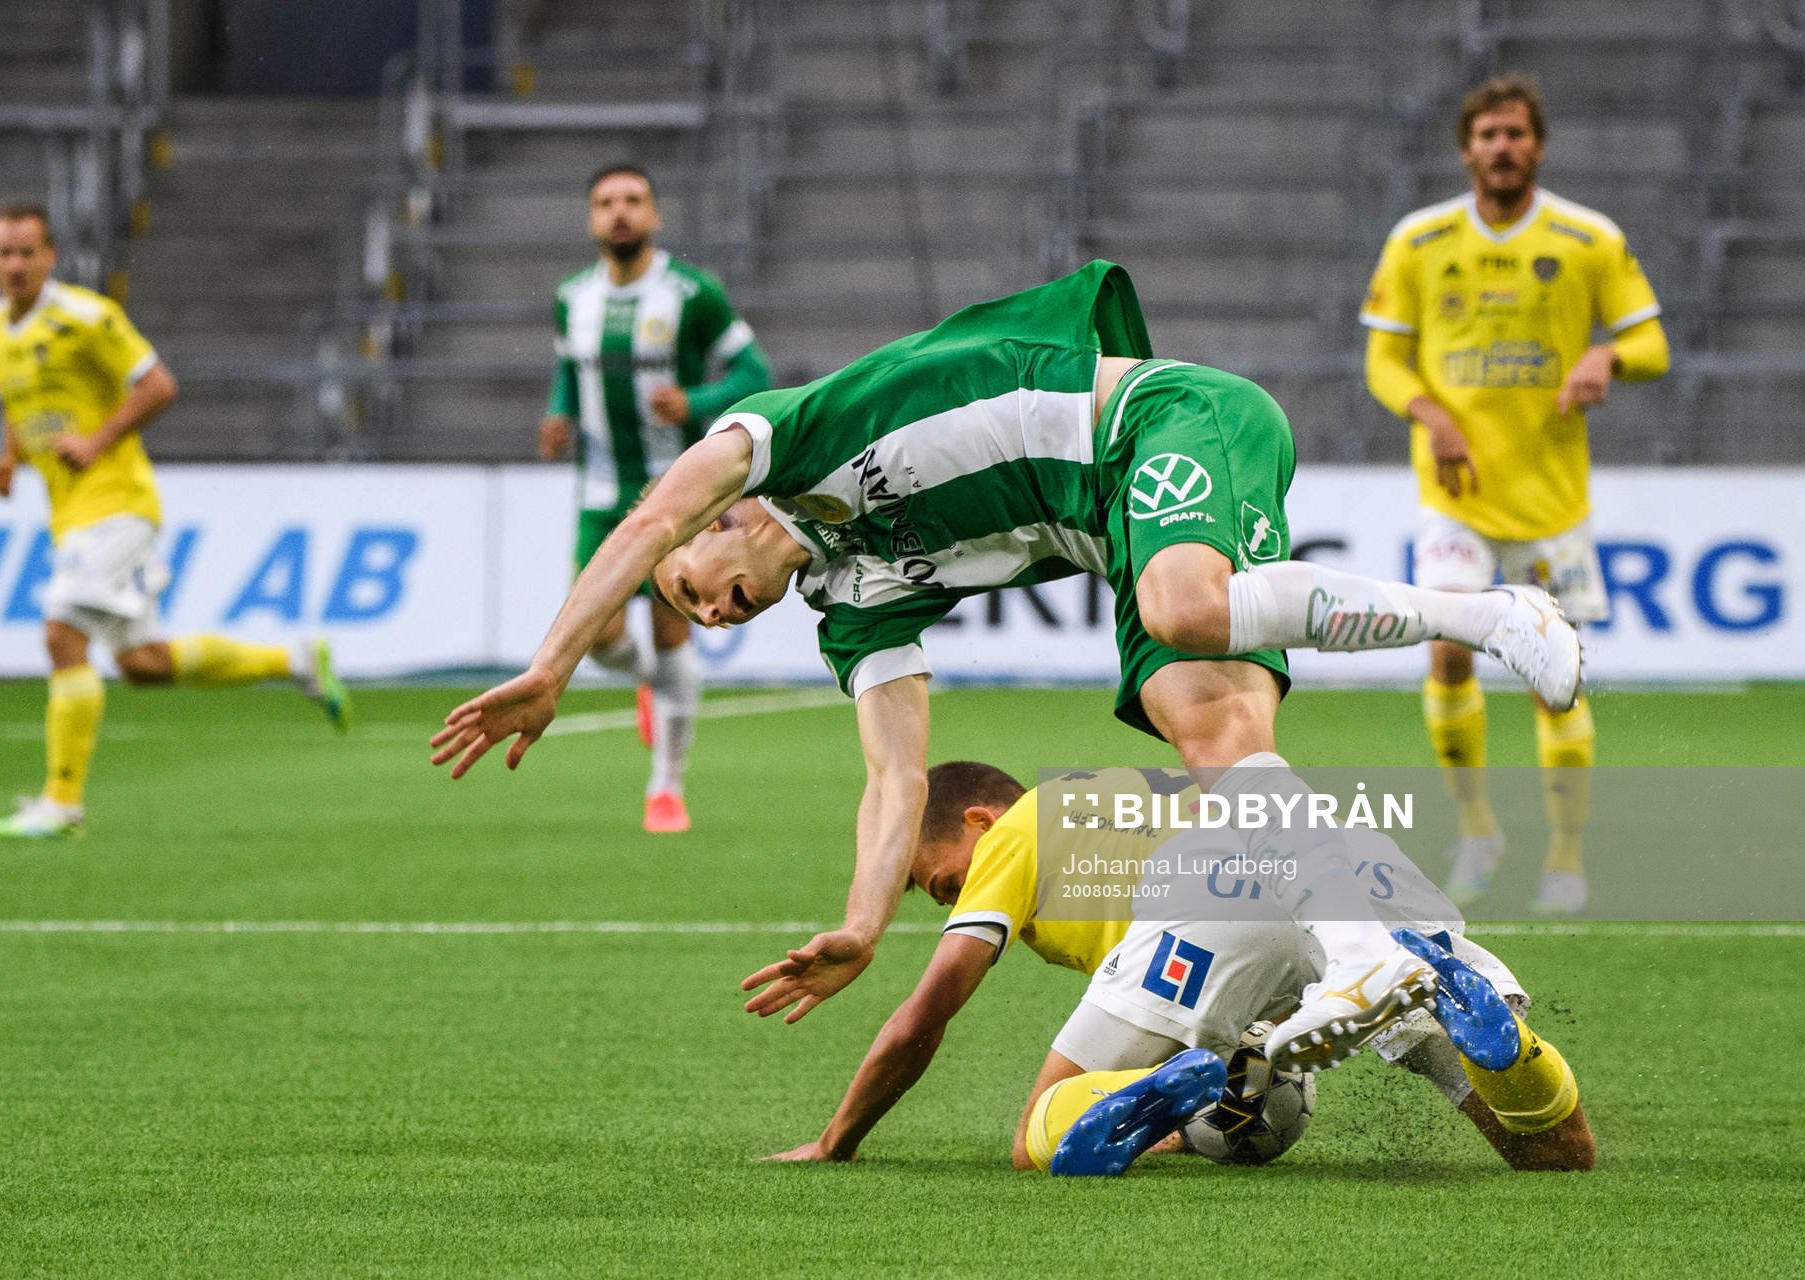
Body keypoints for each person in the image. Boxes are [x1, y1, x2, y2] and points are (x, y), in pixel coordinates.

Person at [432, 260, 1583, 1070]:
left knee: (1185, 610)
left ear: (716, 520)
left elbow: (638, 523)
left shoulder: (779, 433)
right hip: (1118, 525)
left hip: (1164, 423)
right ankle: (1376, 954)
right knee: (1223, 748)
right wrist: (862, 923)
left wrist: (552, 667)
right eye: (701, 613)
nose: (715, 611)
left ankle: (1484, 615)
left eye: (695, 585)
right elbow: (895, 779)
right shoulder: (853, 603)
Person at [763, 762, 1594, 1175]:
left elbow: (927, 1012)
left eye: (941, 880)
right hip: (1335, 860)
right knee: (1555, 1152)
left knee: (1033, 1141)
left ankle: (1198, 1095)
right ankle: (1507, 1052)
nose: (950, 902)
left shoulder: (1018, 830)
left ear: (979, 818)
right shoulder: (1114, 792)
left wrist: (838, 1142)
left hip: (1206, 902)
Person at [1361, 75, 1670, 916]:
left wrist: (1610, 357)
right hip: (1454, 498)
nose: (1502, 147)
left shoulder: (1586, 238)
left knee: (1553, 678)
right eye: (1488, 134)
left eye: (1516, 133)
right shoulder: (1419, 241)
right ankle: (1478, 833)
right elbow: (1384, 360)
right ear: (1467, 149)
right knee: (1448, 650)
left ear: (1538, 145)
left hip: (1552, 505)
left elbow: (1652, 339)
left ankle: (1565, 858)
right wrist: (1429, 410)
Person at [0, 203, 351, 839]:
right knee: (143, 663)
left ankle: (61, 802)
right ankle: (294, 661)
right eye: (3, 253)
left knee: (62, 632)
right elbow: (18, 402)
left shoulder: (87, 318)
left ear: (50, 257)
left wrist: (96, 442)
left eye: (26, 253)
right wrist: (9, 459)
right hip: (71, 515)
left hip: (119, 503)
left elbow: (158, 386)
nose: (14, 265)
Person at [538, 163, 772, 833]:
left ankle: (666, 786)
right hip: (601, 495)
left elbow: (756, 371)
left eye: (633, 200)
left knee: (675, 628)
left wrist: (694, 401)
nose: (619, 212)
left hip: (678, 493)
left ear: (654, 215)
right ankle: (647, 683)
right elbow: (567, 369)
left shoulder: (693, 294)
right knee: (599, 635)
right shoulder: (570, 296)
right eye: (606, 202)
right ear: (590, 219)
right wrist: (558, 415)